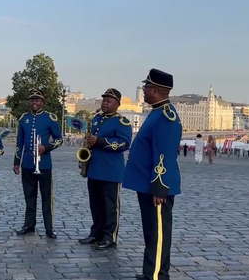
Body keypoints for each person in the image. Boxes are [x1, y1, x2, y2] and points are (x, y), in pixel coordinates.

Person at [123, 69, 182, 280]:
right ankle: (151, 271)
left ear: (155, 90)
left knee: (157, 234)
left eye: (146, 87)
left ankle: (156, 275)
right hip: (146, 184)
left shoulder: (166, 116)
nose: (144, 91)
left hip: (156, 186)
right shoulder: (157, 112)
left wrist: (159, 186)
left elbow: (163, 154)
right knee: (151, 232)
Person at [78, 88, 132, 250]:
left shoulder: (122, 122)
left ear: (117, 104)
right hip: (94, 169)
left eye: (108, 101)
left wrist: (99, 141)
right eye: (103, 100)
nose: (105, 103)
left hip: (111, 171)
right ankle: (96, 233)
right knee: (95, 204)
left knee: (110, 206)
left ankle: (110, 236)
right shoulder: (96, 119)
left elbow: (124, 143)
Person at [14, 88, 63, 239]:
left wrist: (46, 147)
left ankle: (49, 228)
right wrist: (17, 162)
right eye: (32, 100)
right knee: (29, 196)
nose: (34, 102)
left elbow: (59, 139)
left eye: (37, 100)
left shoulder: (50, 118)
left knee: (47, 197)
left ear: (42, 102)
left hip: (44, 164)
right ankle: (29, 225)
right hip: (28, 164)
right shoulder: (24, 118)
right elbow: (19, 142)